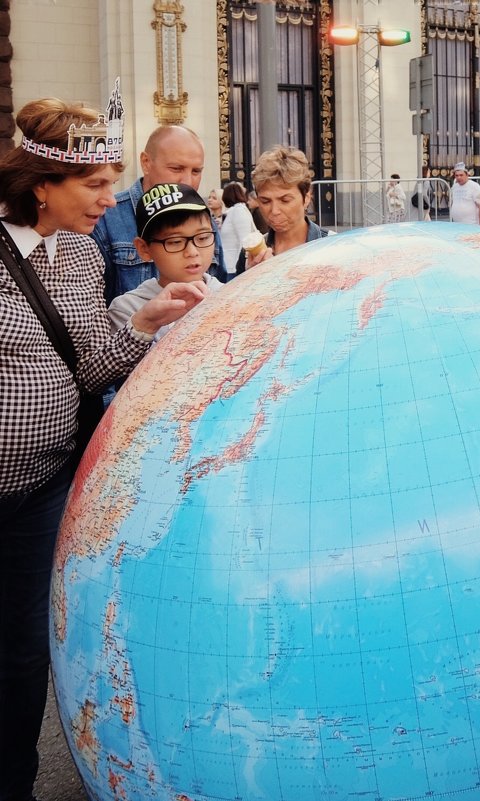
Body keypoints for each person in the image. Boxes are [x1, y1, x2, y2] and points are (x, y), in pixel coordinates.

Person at [0, 90, 205, 801]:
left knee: (24, 656)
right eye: (94, 184)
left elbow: (88, 366)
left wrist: (144, 323)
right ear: (41, 185)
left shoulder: (85, 258)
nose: (110, 198)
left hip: (40, 497)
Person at [92, 124, 226, 303]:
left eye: (196, 171)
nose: (186, 181)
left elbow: (223, 287)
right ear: (146, 163)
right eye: (176, 168)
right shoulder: (105, 216)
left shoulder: (204, 217)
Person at [109, 183, 225, 340]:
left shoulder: (231, 295)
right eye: (175, 242)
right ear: (144, 249)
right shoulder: (128, 309)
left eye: (203, 238)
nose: (192, 252)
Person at [237, 145, 328, 272]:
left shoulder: (332, 246)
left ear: (306, 197)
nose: (274, 211)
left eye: (285, 200)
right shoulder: (249, 254)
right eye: (265, 201)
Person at [218, 181, 256, 278]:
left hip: (234, 266)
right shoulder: (232, 212)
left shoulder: (239, 211)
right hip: (229, 265)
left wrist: (241, 266)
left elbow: (244, 239)